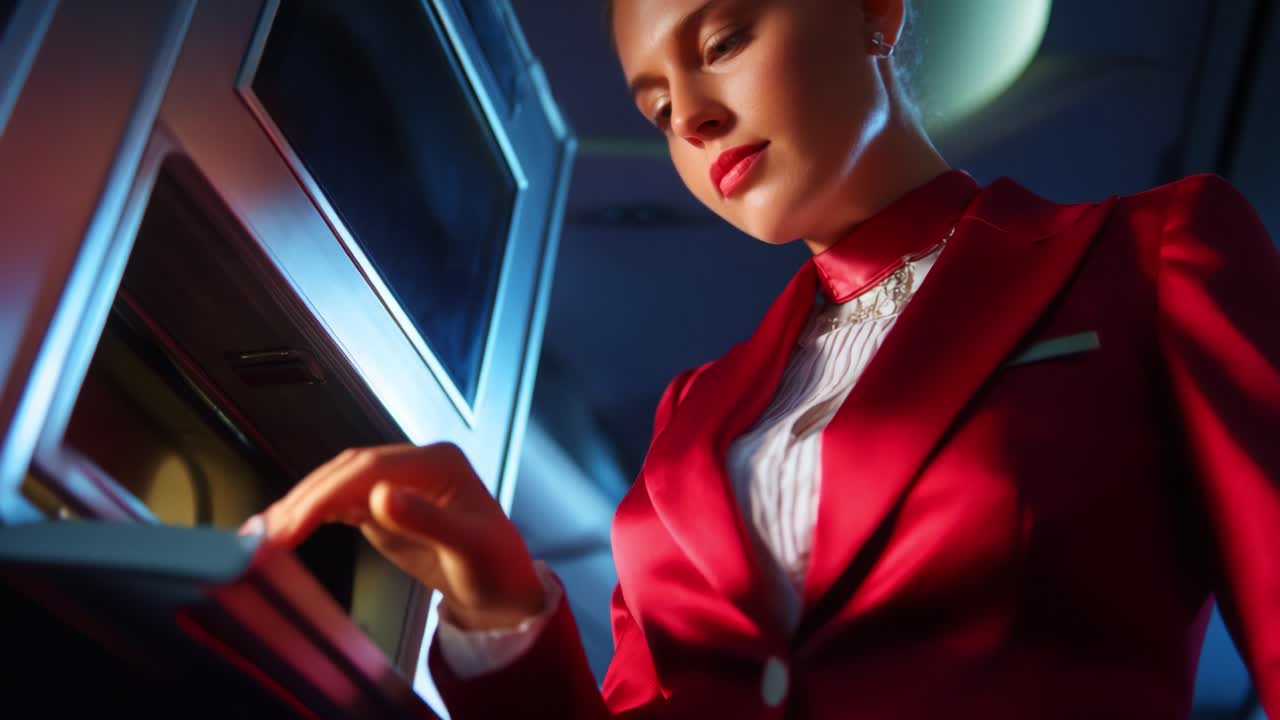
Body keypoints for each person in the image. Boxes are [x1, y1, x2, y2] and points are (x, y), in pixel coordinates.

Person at [247, 0, 1280, 717]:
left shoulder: (1154, 254)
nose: (692, 118)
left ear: (874, 13)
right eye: (656, 110)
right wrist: (499, 603)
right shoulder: (692, 413)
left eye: (725, 39)